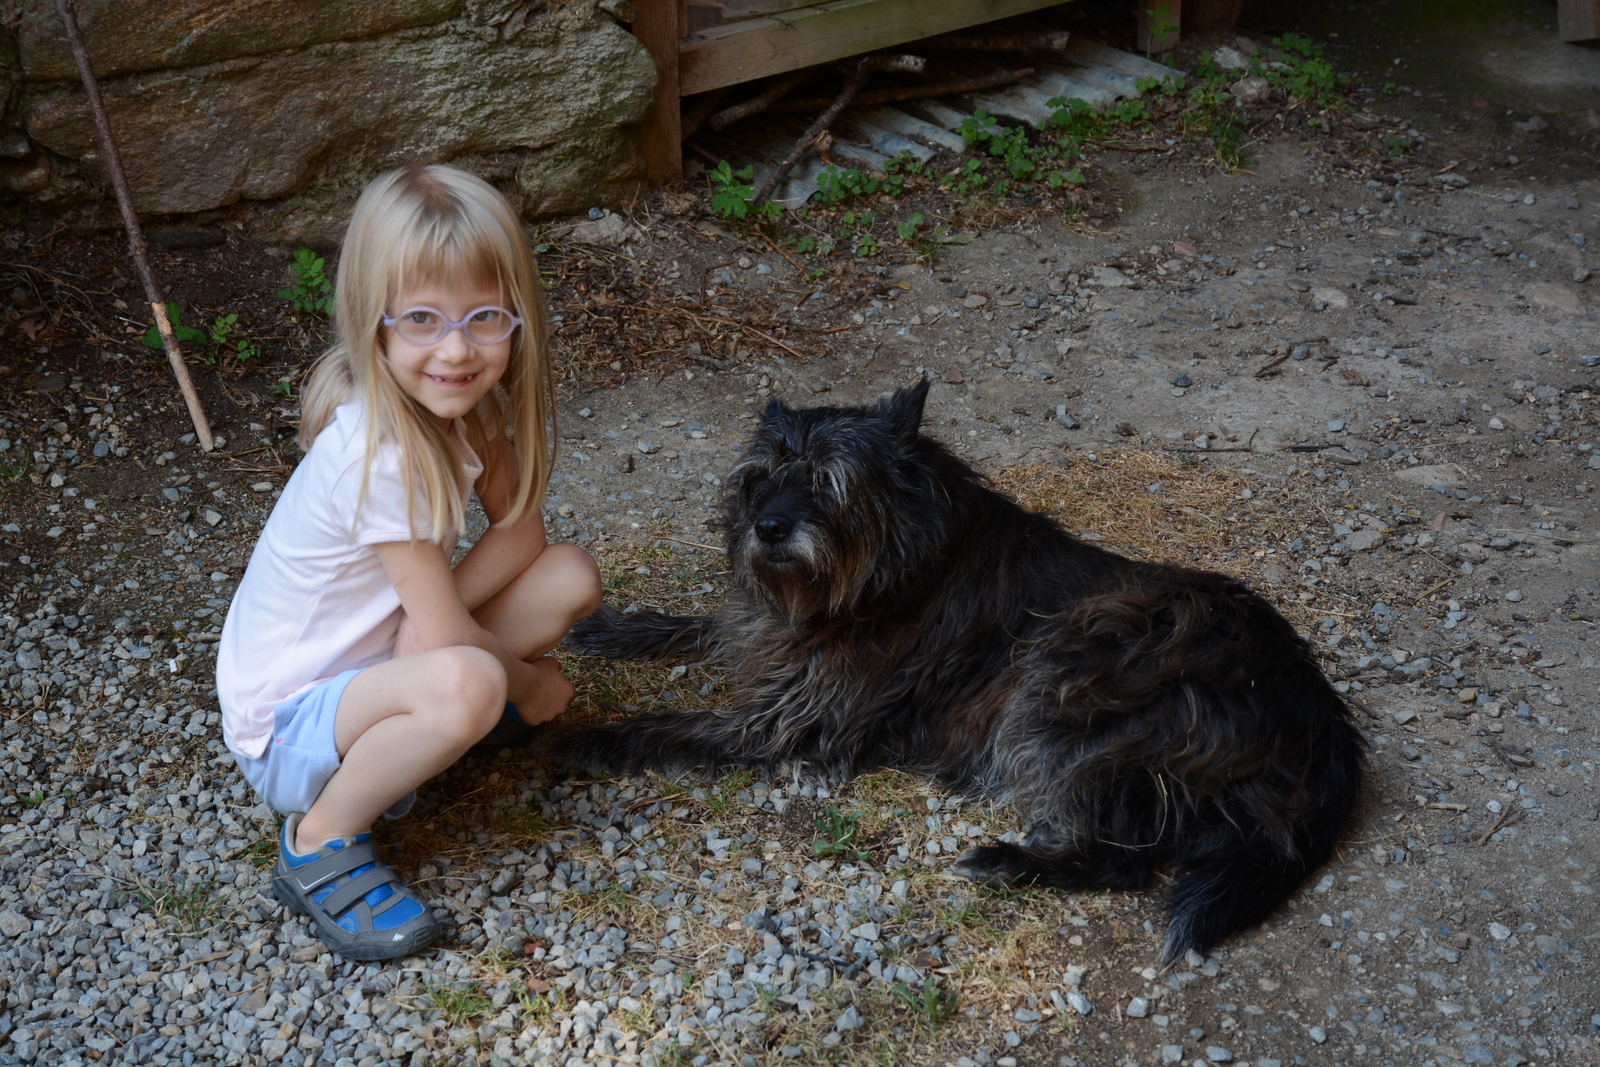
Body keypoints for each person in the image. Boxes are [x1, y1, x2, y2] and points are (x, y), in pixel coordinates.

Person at [217, 163, 601, 959]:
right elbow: (451, 637)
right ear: (376, 322)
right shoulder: (379, 452)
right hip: (290, 723)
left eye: (484, 317)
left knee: (569, 576)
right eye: (422, 318)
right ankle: (320, 840)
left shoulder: (464, 403)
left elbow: (521, 533)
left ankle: (431, 727)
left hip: (375, 662)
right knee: (472, 680)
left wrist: (433, 638)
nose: (456, 349)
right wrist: (527, 686)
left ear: (517, 317)